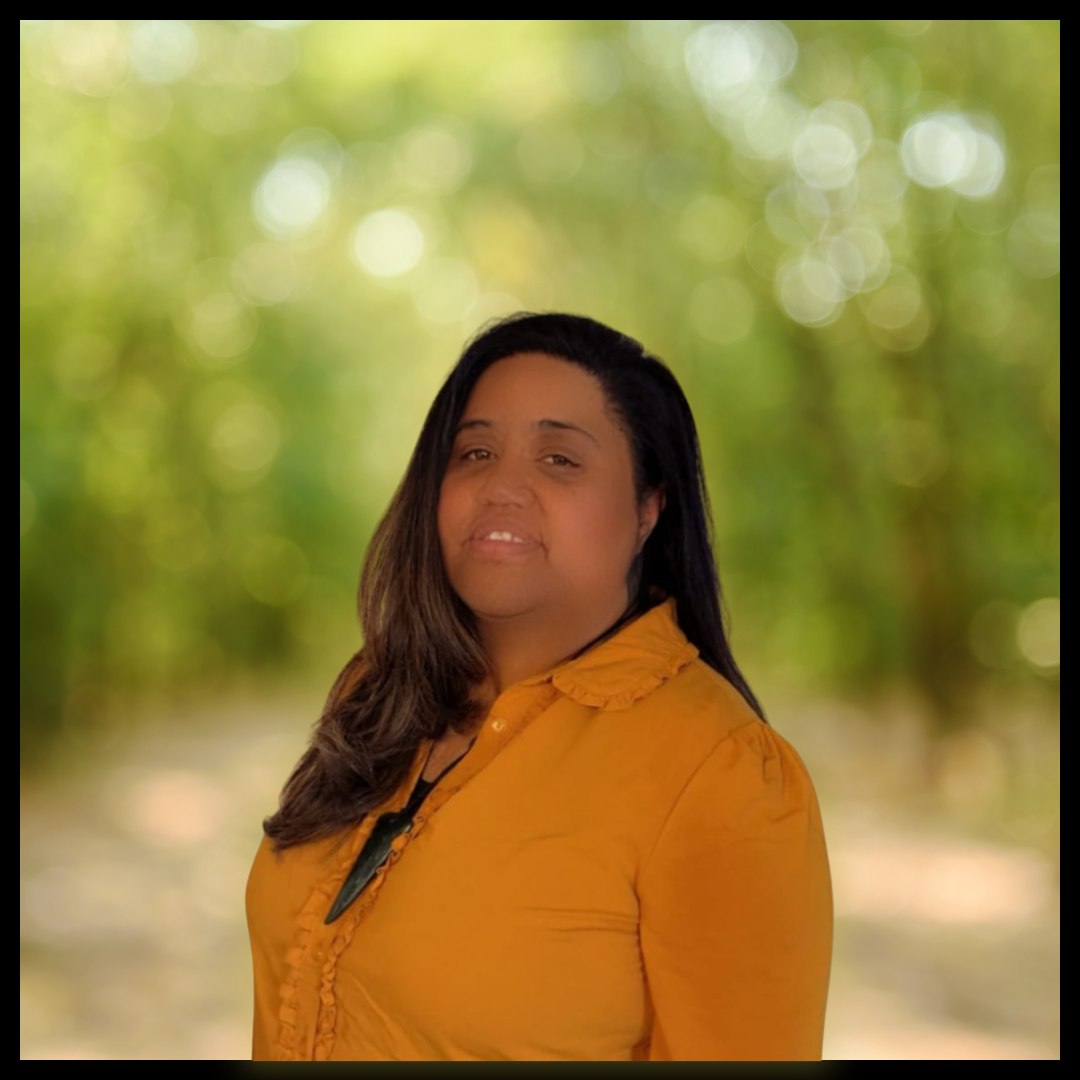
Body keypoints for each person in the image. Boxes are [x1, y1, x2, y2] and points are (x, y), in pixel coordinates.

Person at [245, 313, 833, 1061]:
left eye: (559, 459)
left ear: (649, 508)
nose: (502, 486)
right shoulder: (379, 692)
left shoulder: (718, 774)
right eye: (475, 451)